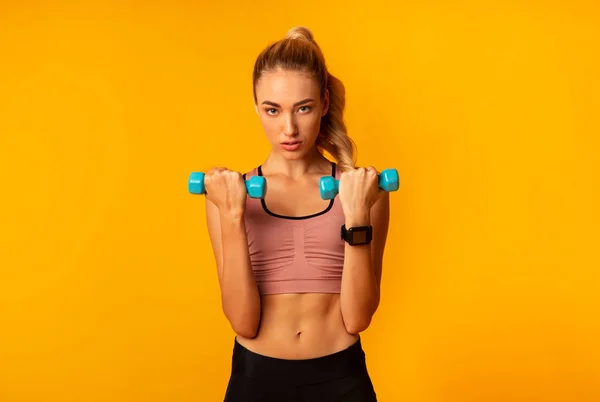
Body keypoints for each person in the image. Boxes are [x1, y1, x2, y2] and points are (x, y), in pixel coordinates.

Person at [203, 26, 390, 402]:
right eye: (273, 110)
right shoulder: (226, 194)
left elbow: (357, 319)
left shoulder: (362, 190)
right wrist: (232, 217)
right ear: (256, 107)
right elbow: (242, 322)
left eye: (303, 108)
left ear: (323, 103)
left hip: (341, 378)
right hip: (256, 378)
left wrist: (355, 218)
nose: (288, 129)